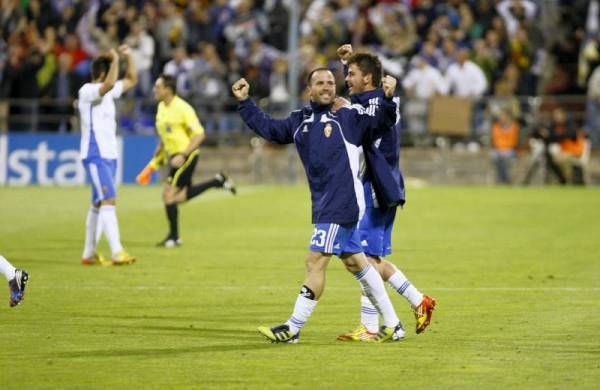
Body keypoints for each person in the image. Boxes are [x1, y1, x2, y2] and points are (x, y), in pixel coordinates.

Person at [233, 67, 405, 344]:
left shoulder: (347, 117)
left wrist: (386, 98)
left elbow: (380, 123)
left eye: (330, 83)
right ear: (308, 90)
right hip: (325, 203)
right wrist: (245, 103)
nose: (327, 87)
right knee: (356, 263)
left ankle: (292, 327)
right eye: (320, 83)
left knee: (314, 261)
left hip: (342, 202)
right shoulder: (299, 120)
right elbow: (270, 129)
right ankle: (394, 324)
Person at [335, 44, 436, 341]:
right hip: (373, 184)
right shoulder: (366, 98)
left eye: (352, 74)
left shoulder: (383, 101)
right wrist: (347, 62)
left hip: (379, 186)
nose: (347, 78)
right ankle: (419, 302)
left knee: (364, 258)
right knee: (372, 259)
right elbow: (361, 103)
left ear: (368, 79)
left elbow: (383, 116)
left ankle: (370, 327)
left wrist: (389, 99)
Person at [136, 74, 236, 248]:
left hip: (185, 156)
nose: (155, 89)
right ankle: (217, 181)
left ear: (168, 89)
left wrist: (183, 154)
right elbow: (166, 133)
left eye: (158, 86)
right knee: (179, 198)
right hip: (173, 156)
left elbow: (200, 134)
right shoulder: (161, 107)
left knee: (168, 195)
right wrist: (159, 150)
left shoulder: (183, 108)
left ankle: (174, 237)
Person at [78, 45, 137, 266]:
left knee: (97, 203)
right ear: (102, 73)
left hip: (109, 155)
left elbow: (131, 79)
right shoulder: (87, 91)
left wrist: (128, 57)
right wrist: (114, 60)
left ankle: (89, 253)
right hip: (95, 154)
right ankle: (117, 251)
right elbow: (110, 83)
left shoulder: (109, 91)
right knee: (108, 199)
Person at [490, 109, 519, 184]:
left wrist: (504, 147)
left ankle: (504, 179)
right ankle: (503, 179)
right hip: (499, 149)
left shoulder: (514, 127)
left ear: (508, 117)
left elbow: (513, 141)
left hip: (510, 150)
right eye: (500, 116)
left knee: (505, 156)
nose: (501, 118)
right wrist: (501, 148)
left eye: (503, 116)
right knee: (494, 155)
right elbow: (495, 140)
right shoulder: (496, 126)